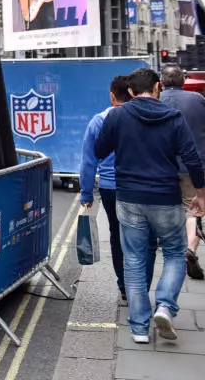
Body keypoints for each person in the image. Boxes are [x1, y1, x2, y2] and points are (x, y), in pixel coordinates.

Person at [94, 67, 205, 343]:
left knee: (133, 259)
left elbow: (99, 150)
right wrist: (201, 194)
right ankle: (165, 306)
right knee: (174, 252)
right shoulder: (174, 118)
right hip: (165, 197)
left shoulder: (118, 115)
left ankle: (140, 328)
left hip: (129, 197)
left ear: (130, 92)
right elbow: (192, 158)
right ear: (158, 87)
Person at [80, 75, 156, 298]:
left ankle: (124, 284)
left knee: (117, 234)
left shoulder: (99, 120)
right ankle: (141, 285)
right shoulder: (144, 116)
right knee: (144, 237)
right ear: (132, 93)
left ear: (112, 96)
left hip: (110, 187)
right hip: (143, 185)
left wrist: (86, 191)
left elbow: (88, 160)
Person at [156, 64, 205, 281]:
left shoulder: (156, 101)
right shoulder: (197, 100)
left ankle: (172, 248)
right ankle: (190, 248)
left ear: (161, 82)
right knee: (193, 209)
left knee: (165, 208)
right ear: (183, 81)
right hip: (192, 166)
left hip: (162, 166)